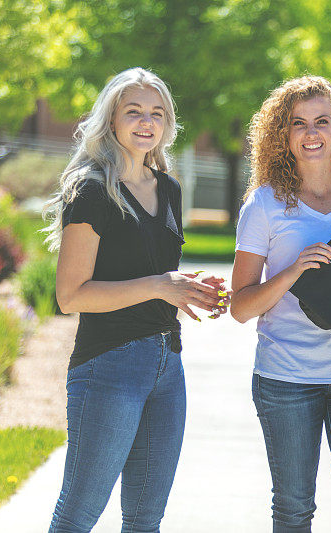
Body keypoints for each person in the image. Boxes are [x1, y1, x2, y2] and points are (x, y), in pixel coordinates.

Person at [42, 67, 229, 532]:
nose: (147, 122)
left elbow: (155, 269)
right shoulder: (91, 190)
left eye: (157, 113)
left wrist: (190, 289)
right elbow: (70, 295)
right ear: (111, 120)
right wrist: (160, 285)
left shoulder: (168, 188)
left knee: (146, 519)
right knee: (78, 514)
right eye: (134, 112)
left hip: (168, 366)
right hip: (109, 367)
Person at [230, 75, 331, 533]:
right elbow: (241, 307)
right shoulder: (264, 205)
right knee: (293, 511)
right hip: (285, 379)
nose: (311, 133)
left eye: (322, 121)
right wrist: (293, 271)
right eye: (298, 123)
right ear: (282, 135)